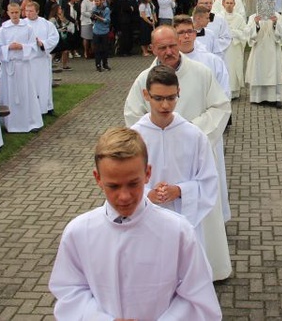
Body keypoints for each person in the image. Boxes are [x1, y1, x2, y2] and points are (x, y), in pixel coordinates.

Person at [48, 127, 222, 320]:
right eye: (113, 186)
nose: (124, 197)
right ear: (98, 178)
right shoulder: (79, 232)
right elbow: (69, 290)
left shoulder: (178, 231)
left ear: (148, 173)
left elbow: (199, 298)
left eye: (133, 184)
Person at [130, 66, 230, 281]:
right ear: (145, 95)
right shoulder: (135, 137)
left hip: (186, 216)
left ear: (179, 93)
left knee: (186, 277)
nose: (165, 105)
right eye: (158, 98)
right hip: (148, 217)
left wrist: (180, 190)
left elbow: (209, 181)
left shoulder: (194, 135)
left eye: (171, 98)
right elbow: (124, 181)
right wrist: (147, 194)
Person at [124, 26, 232, 222]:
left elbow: (220, 107)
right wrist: (156, 131)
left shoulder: (201, 73)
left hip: (194, 156)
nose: (169, 52)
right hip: (156, 163)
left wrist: (188, 131)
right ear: (152, 48)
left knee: (200, 229)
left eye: (173, 46)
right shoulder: (144, 79)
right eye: (162, 47)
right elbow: (133, 115)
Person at [0, 3, 44, 133]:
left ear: (20, 12)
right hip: (10, 66)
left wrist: (22, 47)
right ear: (8, 13)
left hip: (23, 65)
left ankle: (29, 122)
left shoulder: (27, 27)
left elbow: (33, 47)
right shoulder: (3, 29)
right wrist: (9, 48)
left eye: (17, 12)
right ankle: (11, 123)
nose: (15, 15)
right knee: (10, 94)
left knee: (26, 92)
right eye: (12, 13)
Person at [245, 9, 282, 107]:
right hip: (259, 49)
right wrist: (256, 24)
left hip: (273, 49)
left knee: (273, 72)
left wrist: (275, 23)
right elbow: (247, 32)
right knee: (258, 71)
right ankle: (258, 97)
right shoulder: (253, 16)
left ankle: (275, 98)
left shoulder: (277, 15)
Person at [25, 2, 59, 114]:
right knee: (31, 85)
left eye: (31, 11)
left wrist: (43, 43)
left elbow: (54, 38)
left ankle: (47, 106)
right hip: (28, 60)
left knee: (44, 84)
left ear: (37, 11)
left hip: (42, 59)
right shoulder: (22, 24)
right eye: (26, 11)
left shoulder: (46, 24)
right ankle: (32, 108)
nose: (28, 13)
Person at [222, 0, 248, 99]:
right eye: (227, 3)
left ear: (234, 4)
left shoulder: (239, 18)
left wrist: (233, 32)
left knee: (235, 67)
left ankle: (235, 91)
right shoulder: (219, 17)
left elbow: (244, 32)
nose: (229, 5)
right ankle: (225, 90)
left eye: (231, 3)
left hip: (235, 46)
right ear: (223, 4)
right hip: (224, 48)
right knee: (225, 68)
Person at [90, 0, 111, 72]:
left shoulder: (106, 9)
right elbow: (92, 19)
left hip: (104, 31)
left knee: (105, 49)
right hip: (96, 31)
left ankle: (105, 64)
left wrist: (99, 17)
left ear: (102, 1)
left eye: (98, 1)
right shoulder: (94, 9)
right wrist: (93, 17)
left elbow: (107, 20)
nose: (96, 3)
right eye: (95, 1)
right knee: (97, 49)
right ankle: (98, 64)